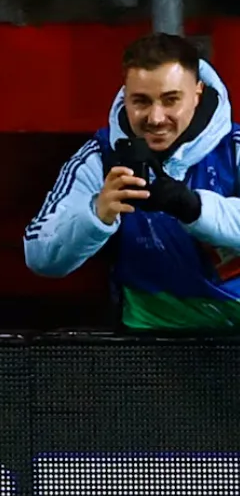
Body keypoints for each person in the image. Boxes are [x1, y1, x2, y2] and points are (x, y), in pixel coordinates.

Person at [24, 32, 240, 329]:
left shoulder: (234, 148)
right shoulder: (99, 157)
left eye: (170, 100)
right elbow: (40, 256)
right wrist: (96, 214)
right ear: (124, 96)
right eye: (141, 101)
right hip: (142, 349)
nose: (155, 117)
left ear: (198, 93)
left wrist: (196, 208)